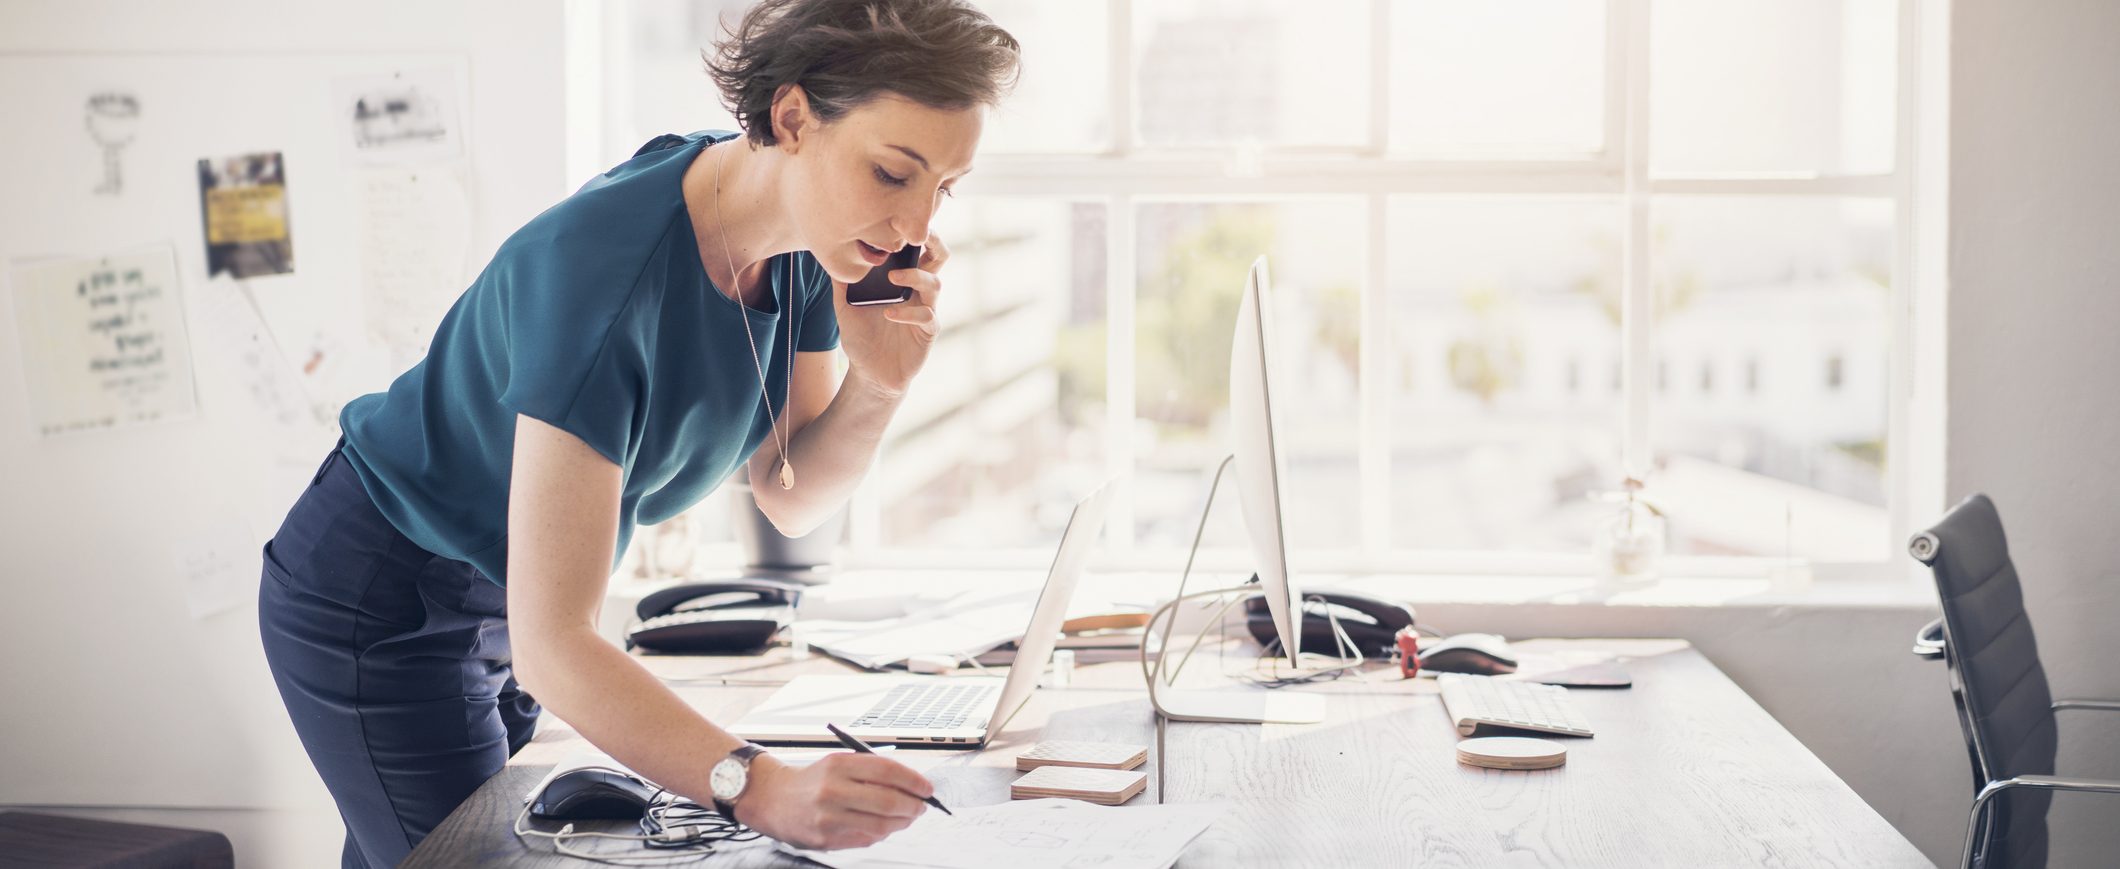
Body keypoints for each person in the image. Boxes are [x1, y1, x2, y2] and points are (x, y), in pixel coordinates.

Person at [255, 1, 1020, 865]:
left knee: (425, 847)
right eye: (892, 173)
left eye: (942, 188)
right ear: (794, 118)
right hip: (381, 592)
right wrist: (762, 787)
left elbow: (790, 493)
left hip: (502, 600)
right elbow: (555, 644)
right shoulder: (604, 276)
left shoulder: (808, 248)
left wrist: (878, 382)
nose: (917, 227)